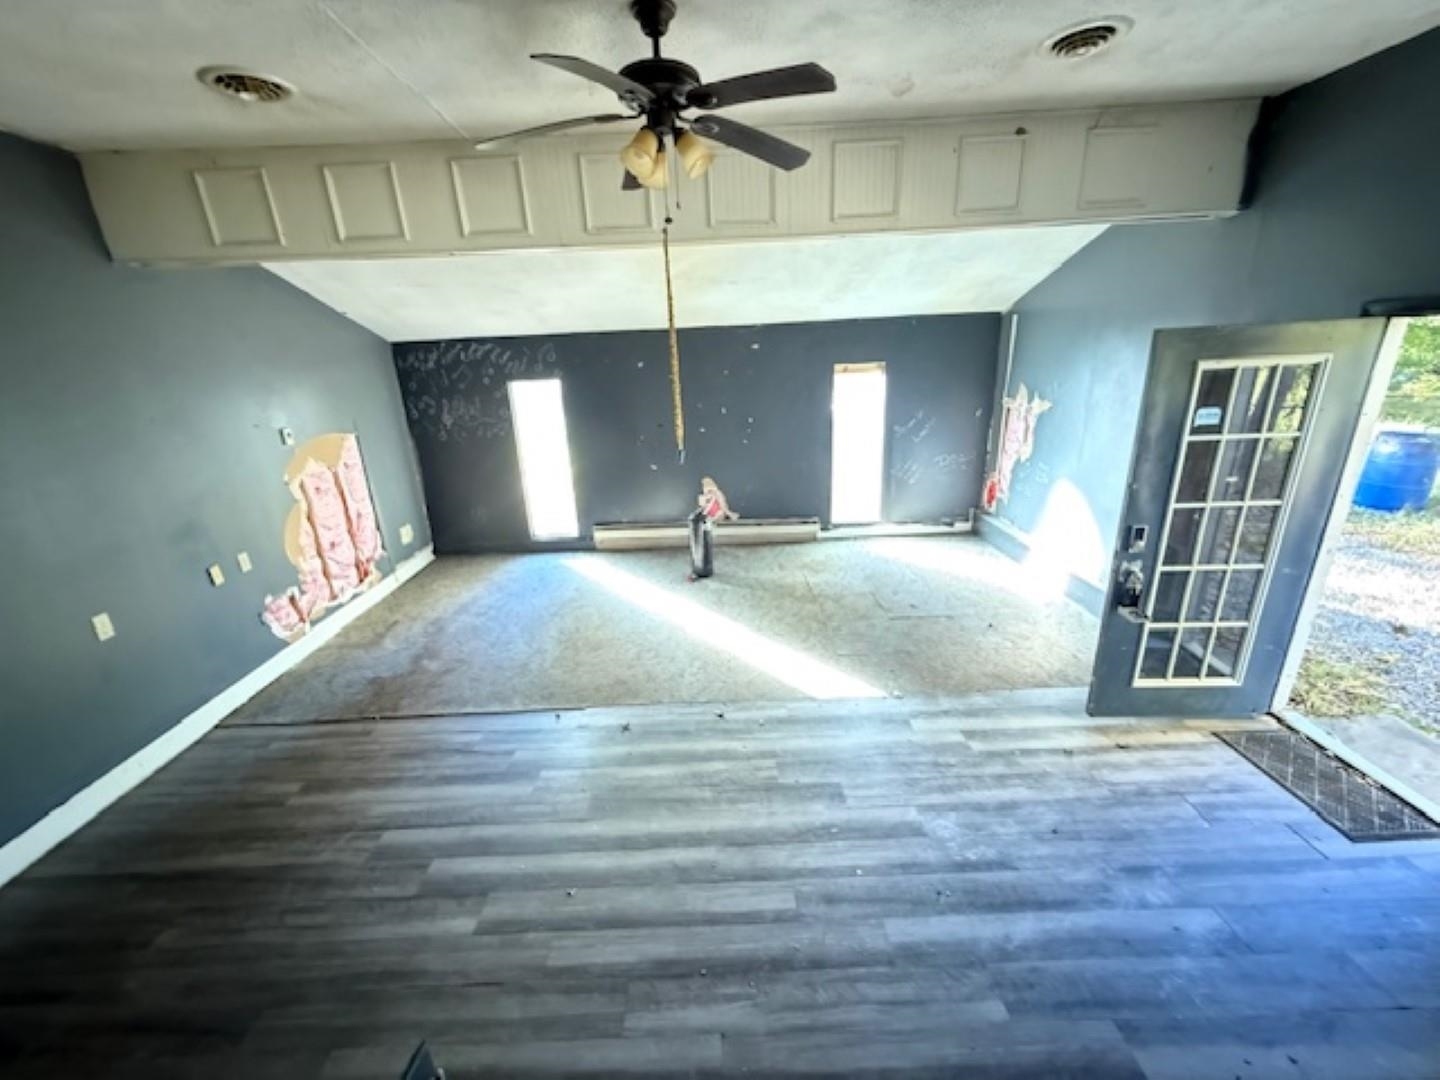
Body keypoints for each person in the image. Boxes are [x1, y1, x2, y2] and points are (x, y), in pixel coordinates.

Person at [688, 476, 738, 579]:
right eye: (706, 488)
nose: (709, 490)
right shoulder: (703, 497)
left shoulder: (718, 495)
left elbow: (723, 507)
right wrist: (705, 502)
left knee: (706, 533)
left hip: (711, 519)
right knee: (700, 541)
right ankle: (699, 568)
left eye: (711, 488)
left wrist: (729, 514)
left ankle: (703, 568)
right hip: (704, 521)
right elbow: (702, 508)